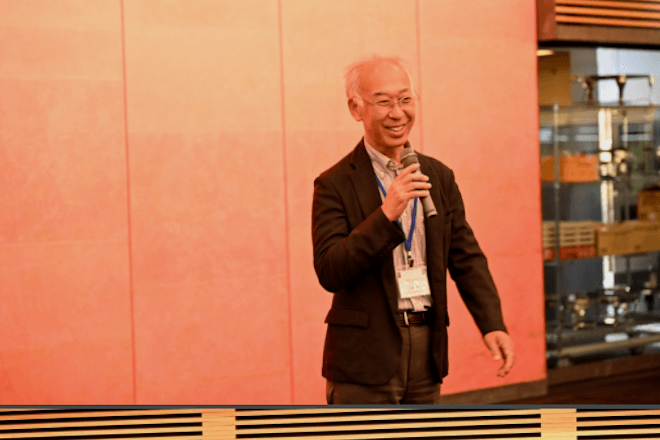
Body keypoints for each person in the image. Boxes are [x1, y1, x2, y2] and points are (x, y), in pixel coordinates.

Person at [311, 55, 515, 404]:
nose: (398, 113)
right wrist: (385, 215)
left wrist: (492, 323)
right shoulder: (334, 183)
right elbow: (330, 270)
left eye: (405, 99)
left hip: (426, 349)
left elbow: (466, 258)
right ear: (356, 108)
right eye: (384, 102)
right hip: (364, 357)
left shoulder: (438, 176)